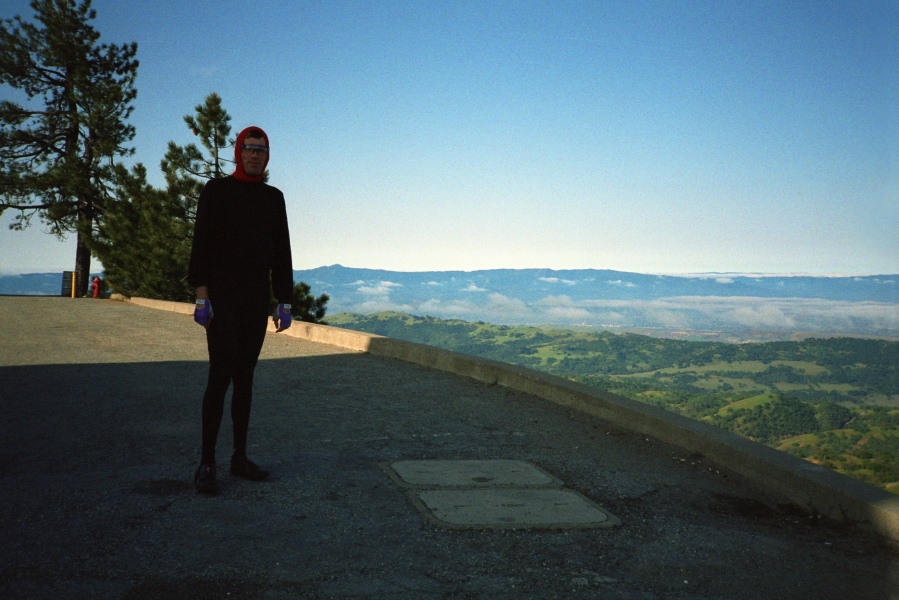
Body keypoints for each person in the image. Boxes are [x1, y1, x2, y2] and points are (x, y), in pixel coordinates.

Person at [187, 126, 294, 494]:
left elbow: (282, 252)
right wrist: (202, 297)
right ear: (238, 152)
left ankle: (240, 457)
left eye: (261, 150)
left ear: (268, 156)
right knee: (220, 377)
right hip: (222, 298)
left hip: (254, 299)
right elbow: (200, 244)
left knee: (245, 379)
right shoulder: (216, 191)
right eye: (248, 149)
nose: (254, 155)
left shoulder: (273, 198)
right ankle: (206, 462)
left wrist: (284, 299)